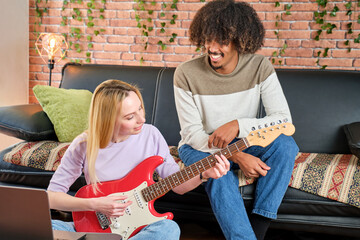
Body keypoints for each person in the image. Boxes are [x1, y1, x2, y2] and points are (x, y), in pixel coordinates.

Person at [173, 0, 299, 239]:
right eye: (208, 39)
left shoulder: (259, 66)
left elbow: (283, 120)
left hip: (246, 139)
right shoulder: (186, 74)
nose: (212, 47)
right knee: (217, 171)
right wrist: (236, 155)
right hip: (199, 147)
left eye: (221, 40)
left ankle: (258, 227)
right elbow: (192, 134)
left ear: (240, 40)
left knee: (285, 145)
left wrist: (238, 125)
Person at [47, 79, 230, 239]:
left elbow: (177, 184)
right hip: (97, 227)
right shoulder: (84, 144)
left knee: (168, 229)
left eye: (140, 108)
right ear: (108, 119)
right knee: (47, 228)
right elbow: (51, 197)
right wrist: (95, 204)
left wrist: (203, 173)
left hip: (141, 228)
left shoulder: (151, 135)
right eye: (130, 117)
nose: (142, 119)